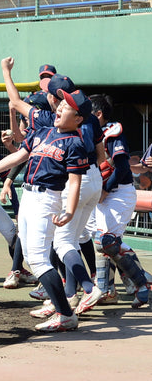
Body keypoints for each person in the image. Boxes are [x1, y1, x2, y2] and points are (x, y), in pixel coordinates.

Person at [0, 57, 92, 332]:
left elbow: (74, 183)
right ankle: (62, 307)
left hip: (48, 198)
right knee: (30, 247)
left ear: (79, 118)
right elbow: (19, 156)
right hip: (28, 196)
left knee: (37, 257)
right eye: (60, 103)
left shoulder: (74, 143)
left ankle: (65, 313)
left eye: (68, 107)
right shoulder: (43, 131)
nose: (60, 107)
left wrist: (70, 210)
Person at [90, 94, 150, 309]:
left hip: (119, 192)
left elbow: (123, 167)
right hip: (102, 194)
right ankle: (112, 287)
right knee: (102, 243)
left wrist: (106, 189)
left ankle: (142, 284)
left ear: (98, 114)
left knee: (107, 242)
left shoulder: (113, 132)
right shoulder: (89, 134)